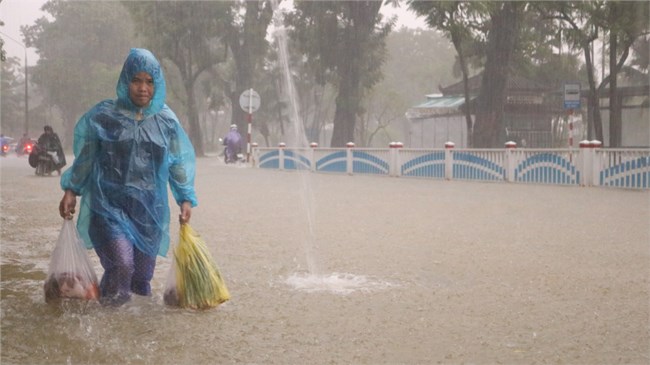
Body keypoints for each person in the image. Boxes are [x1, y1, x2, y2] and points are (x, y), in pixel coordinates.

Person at [58, 48, 198, 307]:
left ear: (157, 84)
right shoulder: (104, 116)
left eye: (149, 81)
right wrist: (71, 190)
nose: (142, 88)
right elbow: (86, 157)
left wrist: (185, 198)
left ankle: (133, 331)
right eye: (136, 80)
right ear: (125, 81)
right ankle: (110, 325)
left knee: (142, 279)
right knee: (122, 265)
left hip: (149, 211)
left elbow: (178, 163)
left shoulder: (166, 121)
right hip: (108, 206)